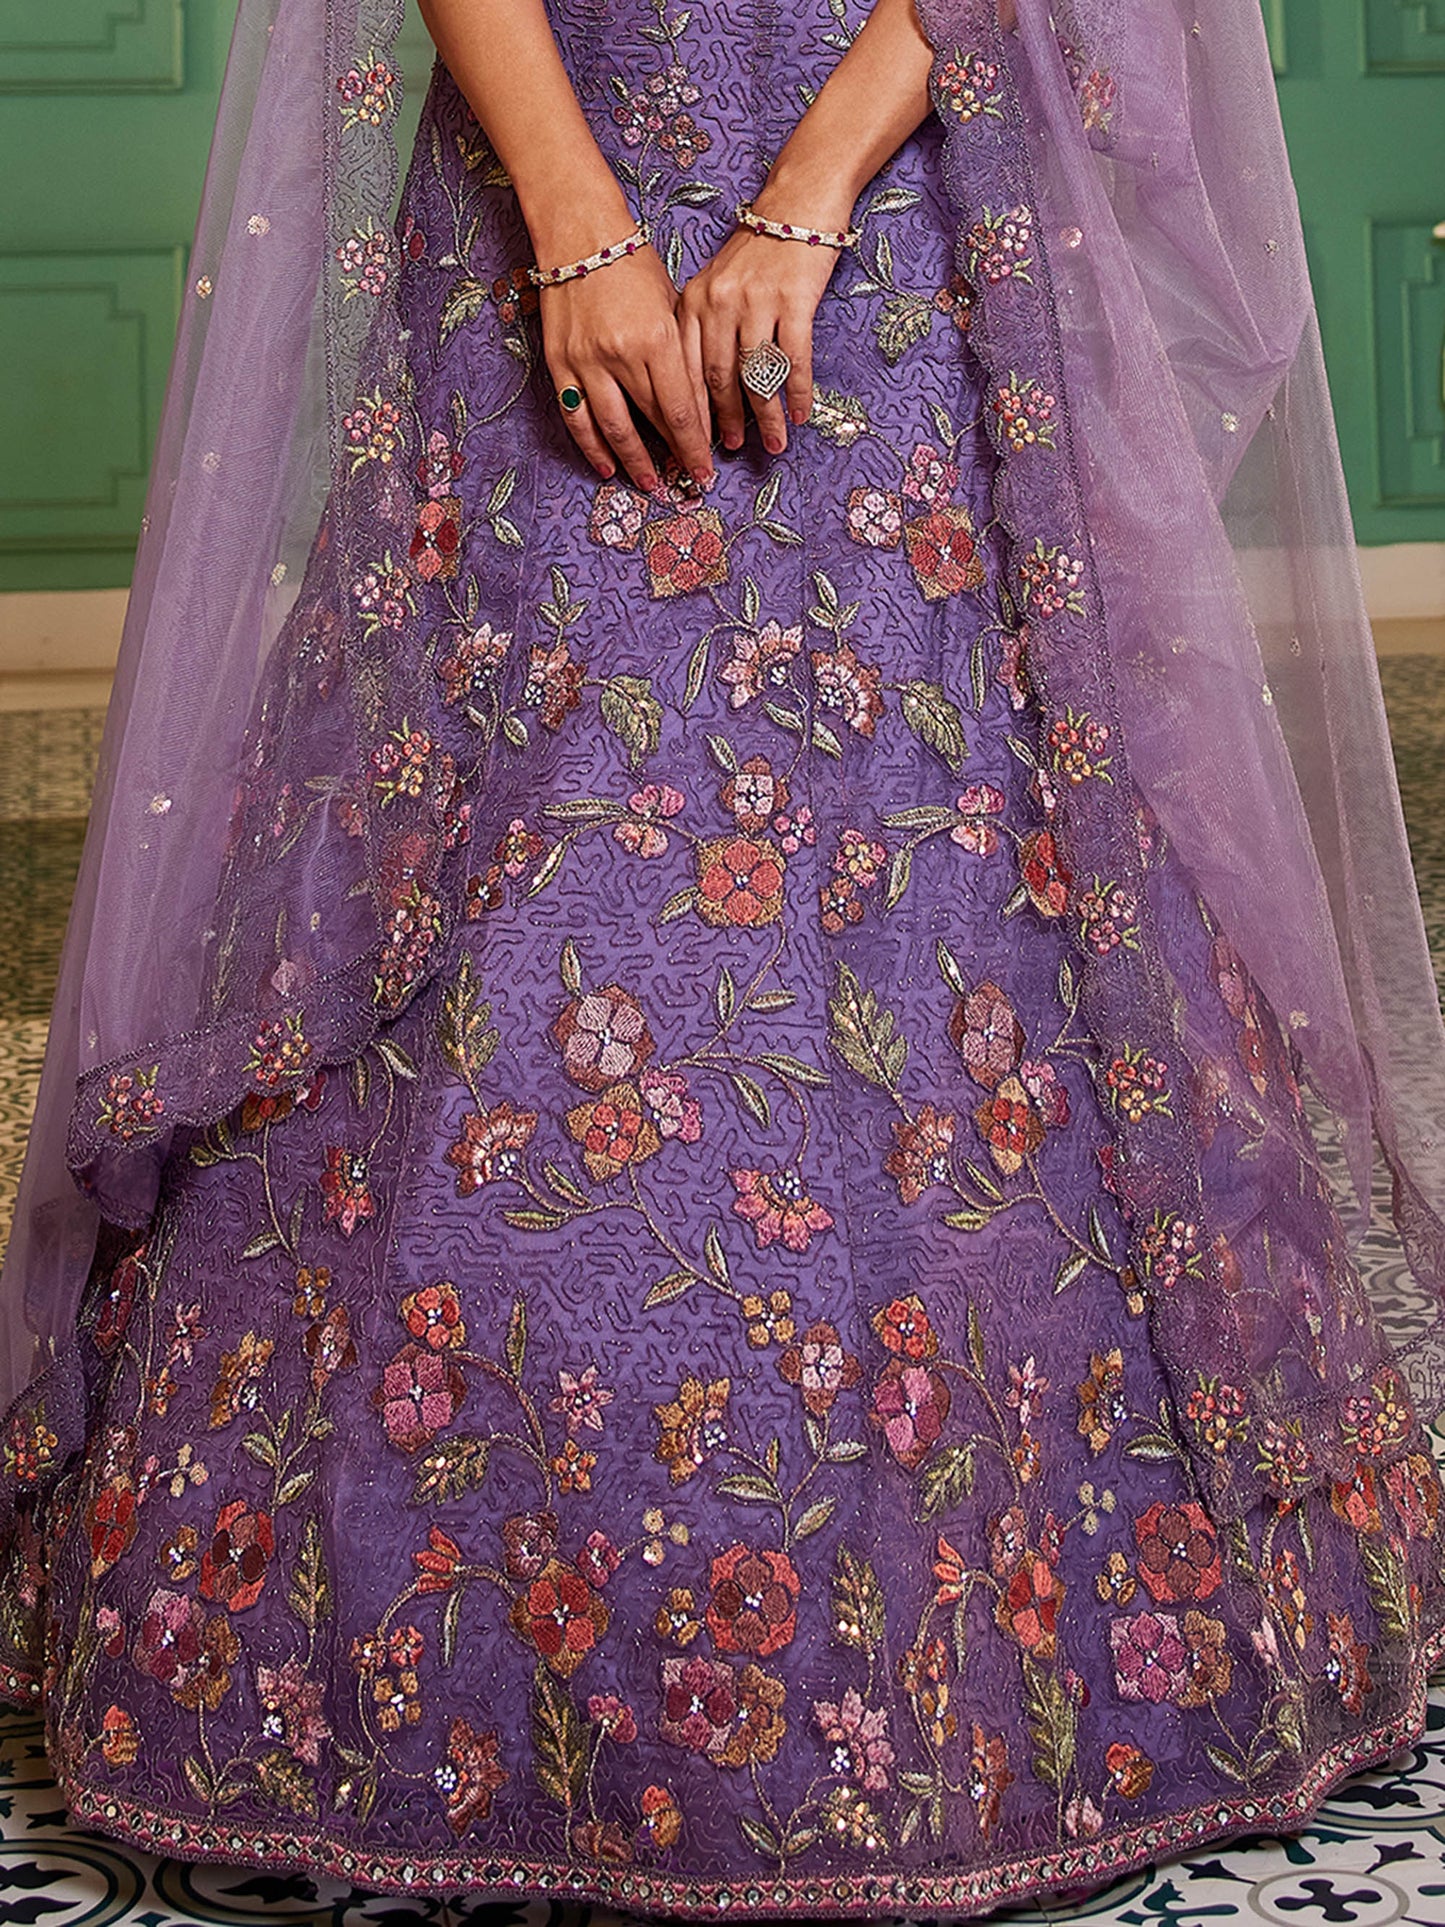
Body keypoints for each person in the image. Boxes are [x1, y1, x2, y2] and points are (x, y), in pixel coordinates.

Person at [3, 0, 1444, 1913]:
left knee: (949, 851)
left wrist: (810, 193)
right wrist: (570, 213)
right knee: (495, 837)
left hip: (903, 213)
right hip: (555, 178)